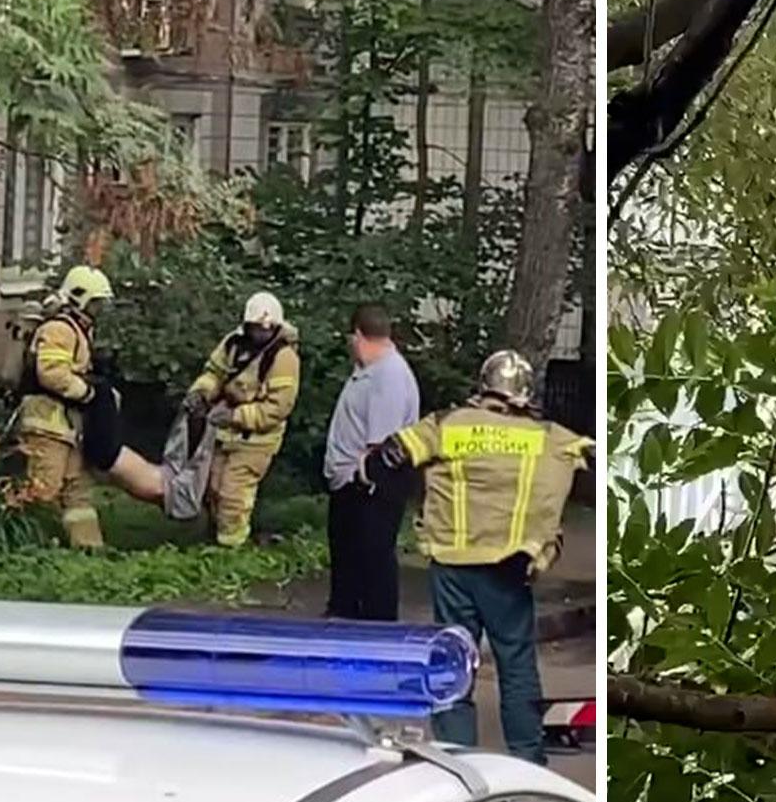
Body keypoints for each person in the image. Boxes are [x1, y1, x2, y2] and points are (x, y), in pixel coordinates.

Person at [360, 350, 593, 765]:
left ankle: (455, 756)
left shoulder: (447, 425)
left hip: (452, 563)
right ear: (524, 392)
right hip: (510, 568)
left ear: (484, 386)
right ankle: (527, 758)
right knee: (516, 663)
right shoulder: (549, 436)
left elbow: (387, 459)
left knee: (453, 661)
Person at [322, 303, 421, 620]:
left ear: (358, 336)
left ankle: (375, 625)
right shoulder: (370, 371)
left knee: (373, 558)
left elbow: (382, 442)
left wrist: (362, 476)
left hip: (371, 486)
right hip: (354, 484)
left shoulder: (388, 376)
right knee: (351, 557)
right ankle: (345, 612)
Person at [182, 292, 302, 548]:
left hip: (257, 439)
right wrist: (201, 393)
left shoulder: (284, 358)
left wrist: (236, 416)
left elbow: (277, 408)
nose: (260, 333)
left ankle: (231, 547)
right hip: (224, 433)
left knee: (233, 494)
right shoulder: (233, 344)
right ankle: (217, 538)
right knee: (212, 488)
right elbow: (214, 373)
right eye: (256, 328)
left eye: (266, 328)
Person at [14, 265, 113, 549]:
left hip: (67, 425)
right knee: (43, 490)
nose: (98, 309)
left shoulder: (79, 328)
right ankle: (35, 548)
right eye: (95, 302)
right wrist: (88, 393)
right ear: (79, 297)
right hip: (47, 425)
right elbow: (52, 373)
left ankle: (89, 547)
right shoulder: (59, 328)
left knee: (78, 488)